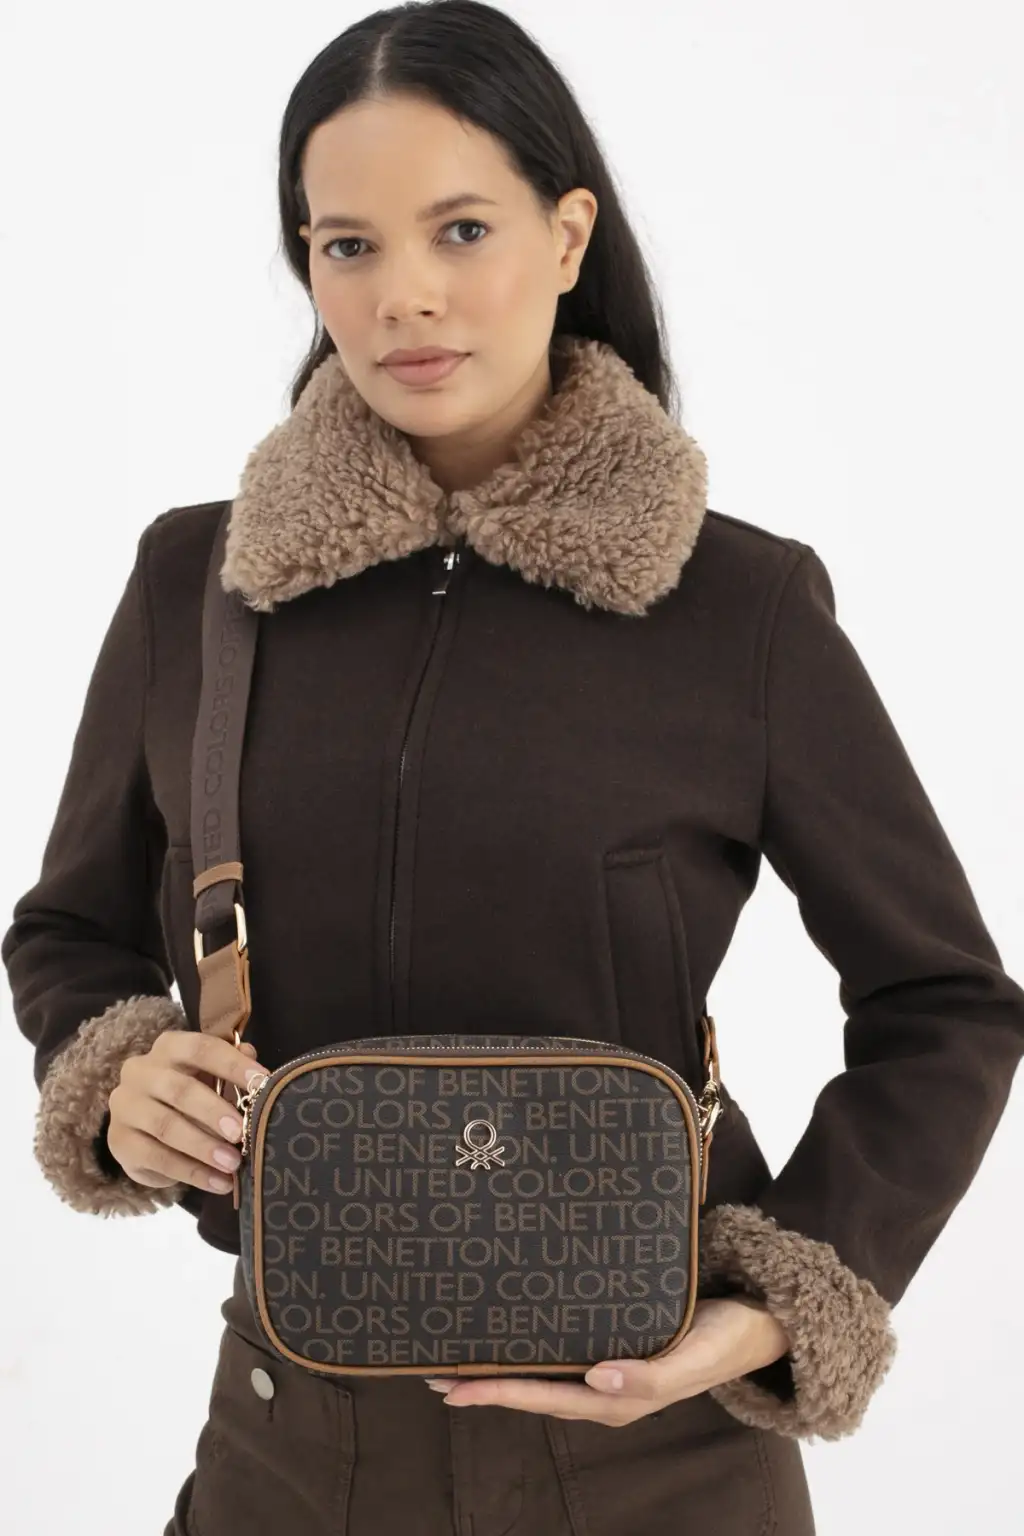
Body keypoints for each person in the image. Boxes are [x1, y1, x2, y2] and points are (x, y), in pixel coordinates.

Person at [4, 2, 1023, 1532]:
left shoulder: (737, 606)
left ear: (567, 235)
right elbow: (67, 933)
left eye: (462, 229)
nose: (404, 294)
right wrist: (117, 1072)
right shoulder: (198, 588)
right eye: (347, 245)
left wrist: (780, 1301)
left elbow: (945, 1002)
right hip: (290, 1453)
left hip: (656, 1457)